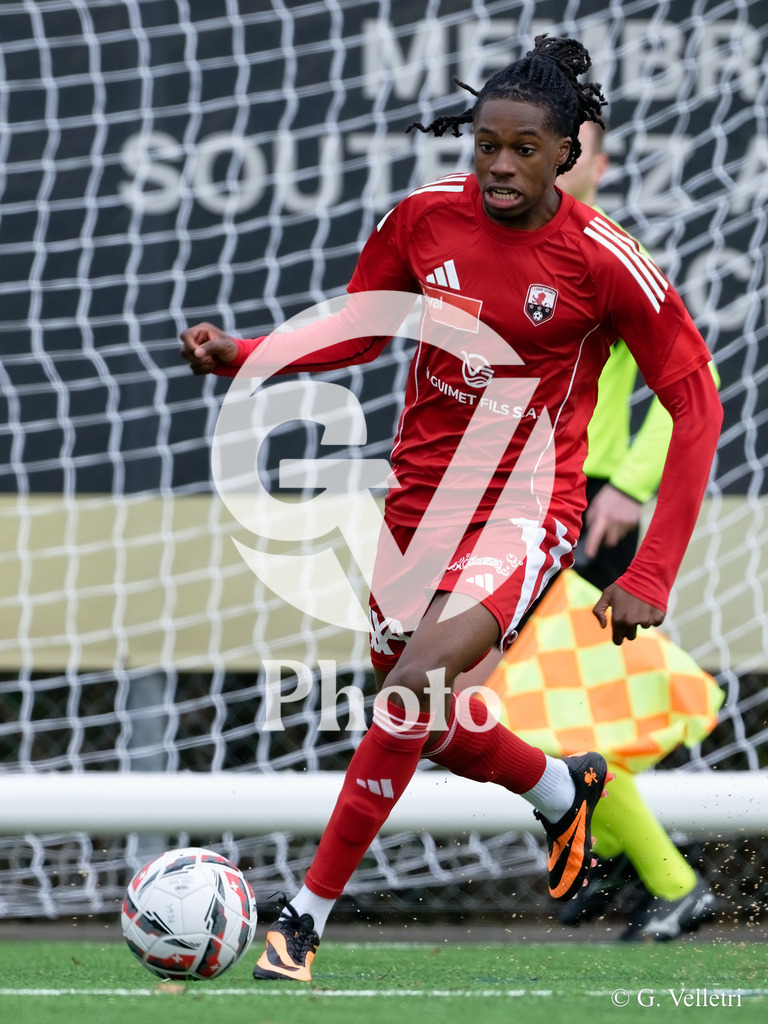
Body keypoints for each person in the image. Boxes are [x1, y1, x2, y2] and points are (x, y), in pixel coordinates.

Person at [179, 36, 722, 980]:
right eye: (486, 146)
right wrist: (247, 356)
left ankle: (304, 919)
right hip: (418, 504)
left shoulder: (603, 259)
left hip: (527, 506)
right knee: (426, 717)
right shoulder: (424, 218)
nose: (500, 166)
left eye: (523, 149)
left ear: (569, 153)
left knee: (412, 681)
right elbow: (358, 330)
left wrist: (653, 569)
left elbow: (696, 401)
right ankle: (565, 791)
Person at [459, 119, 721, 941]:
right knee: (509, 704)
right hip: (511, 503)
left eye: (564, 149)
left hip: (578, 506)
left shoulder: (609, 252)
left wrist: (632, 487)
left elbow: (694, 378)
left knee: (526, 706)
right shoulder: (495, 244)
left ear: (592, 164)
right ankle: (621, 865)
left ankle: (659, 875)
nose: (535, 163)